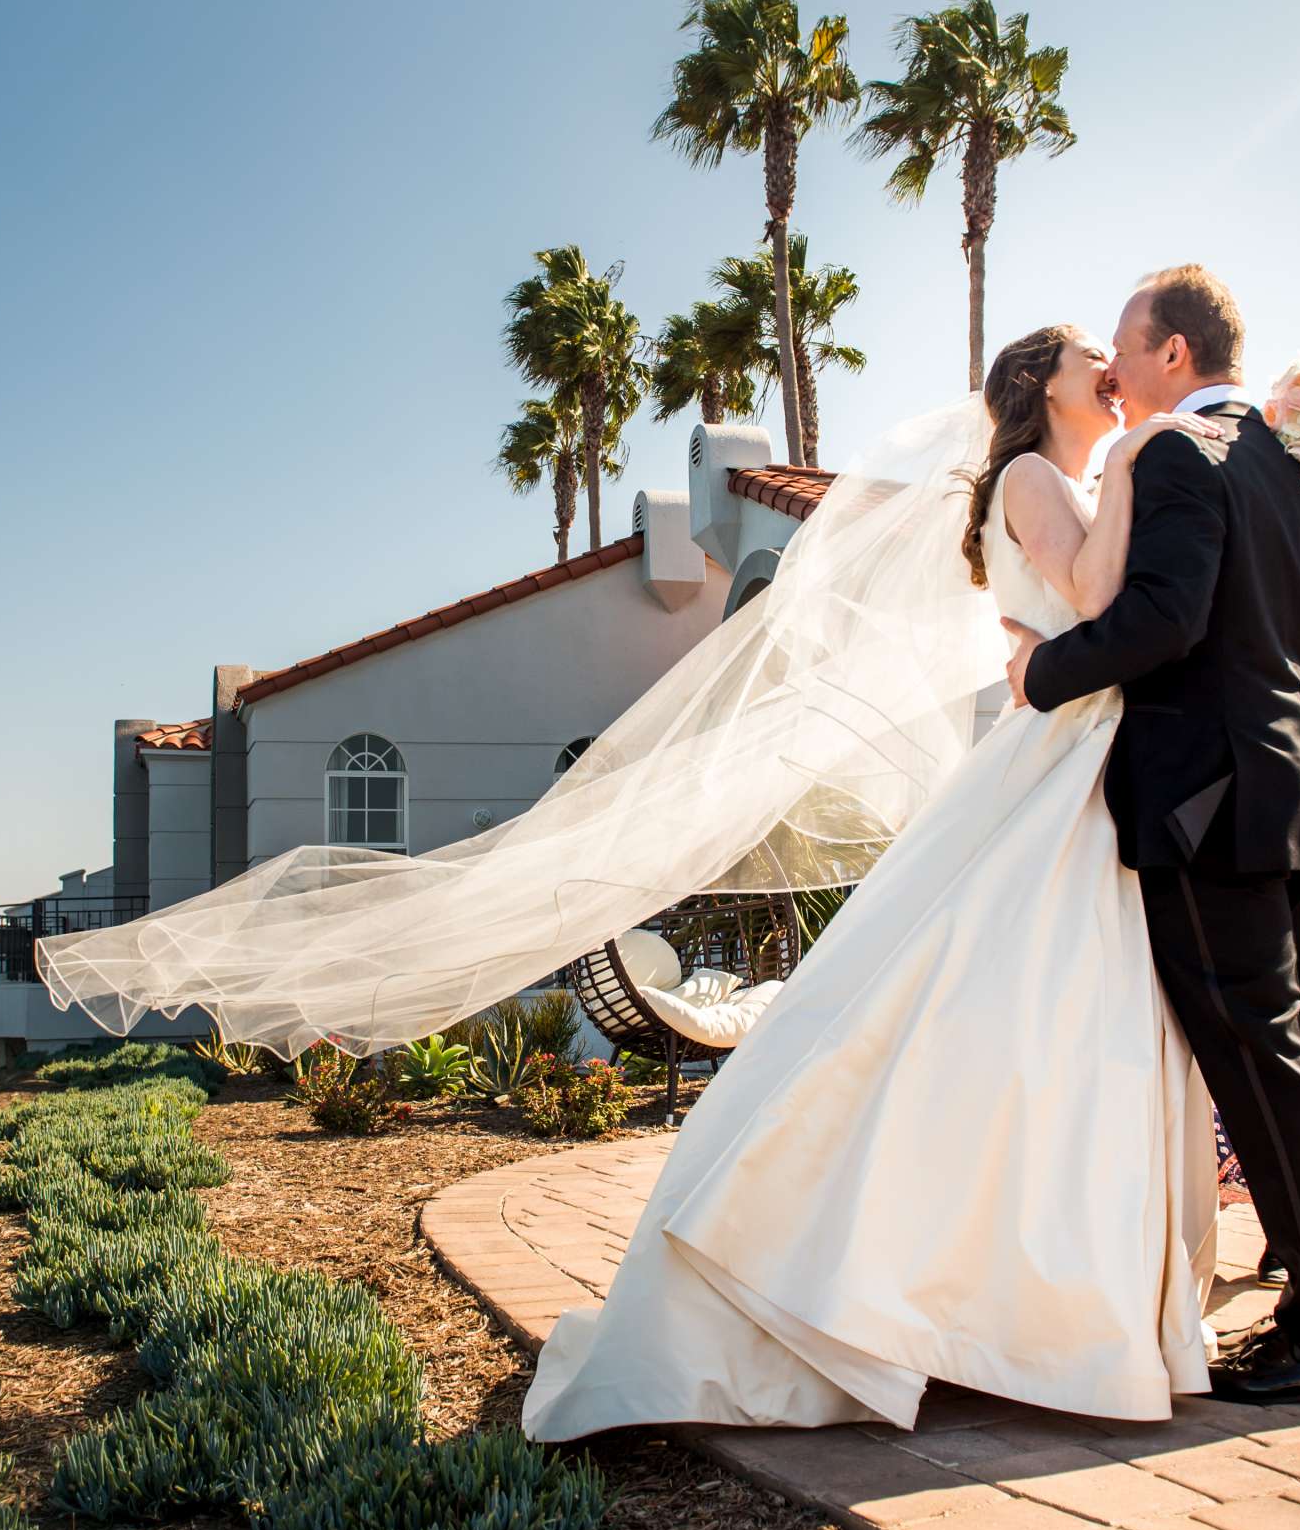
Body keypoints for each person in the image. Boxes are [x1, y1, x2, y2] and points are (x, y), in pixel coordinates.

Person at [522, 324, 1232, 1440]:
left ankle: (1009, 1296)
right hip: (1059, 757)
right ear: (1038, 386)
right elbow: (1098, 600)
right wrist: (1143, 455)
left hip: (1085, 753)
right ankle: (908, 1286)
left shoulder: (1064, 474)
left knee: (1032, 1024)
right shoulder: (1039, 475)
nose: (1108, 366)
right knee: (989, 1005)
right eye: (1086, 354)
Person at [1002, 265, 1300, 1407]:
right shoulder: (1293, 468)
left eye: (1125, 345)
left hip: (1206, 803)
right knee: (1283, 1060)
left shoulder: (1178, 451)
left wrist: (1042, 674)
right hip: (1282, 789)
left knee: (1262, 1060)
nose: (1114, 368)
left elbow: (1163, 618)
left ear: (1173, 353)